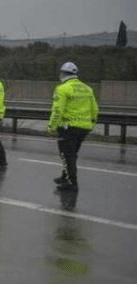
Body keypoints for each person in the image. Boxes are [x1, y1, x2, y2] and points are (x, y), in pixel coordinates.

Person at [47, 62, 98, 192]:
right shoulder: (87, 88)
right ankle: (65, 177)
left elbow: (58, 110)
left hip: (68, 127)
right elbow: (94, 109)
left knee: (66, 155)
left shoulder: (62, 88)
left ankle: (72, 183)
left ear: (63, 74)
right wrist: (92, 124)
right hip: (84, 127)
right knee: (72, 154)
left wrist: (52, 126)